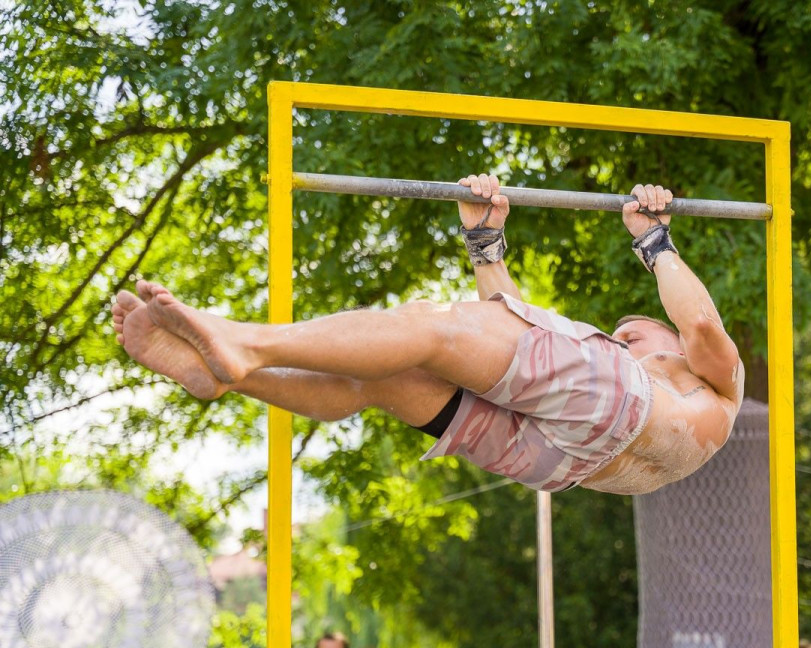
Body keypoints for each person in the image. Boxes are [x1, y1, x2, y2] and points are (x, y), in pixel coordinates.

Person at [112, 176, 744, 496]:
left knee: (427, 327)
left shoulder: (700, 375)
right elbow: (511, 343)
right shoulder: (695, 413)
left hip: (618, 413)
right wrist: (485, 244)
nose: (619, 333)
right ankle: (239, 376)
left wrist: (654, 239)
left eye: (629, 334)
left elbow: (700, 324)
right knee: (377, 379)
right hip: (561, 467)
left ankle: (246, 345)